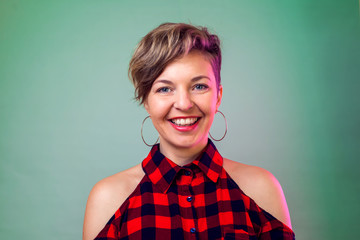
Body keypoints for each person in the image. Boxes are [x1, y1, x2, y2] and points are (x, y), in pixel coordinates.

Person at [83, 23, 295, 240]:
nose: (184, 104)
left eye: (199, 86)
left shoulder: (261, 189)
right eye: (164, 89)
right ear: (146, 101)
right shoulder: (108, 199)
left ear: (218, 96)